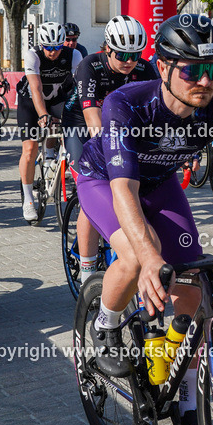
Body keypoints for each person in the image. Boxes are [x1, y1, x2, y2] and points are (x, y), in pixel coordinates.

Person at [75, 13, 213, 425]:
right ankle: (105, 323)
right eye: (192, 69)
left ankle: (187, 402)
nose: (206, 80)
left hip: (160, 184)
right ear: (163, 68)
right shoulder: (126, 103)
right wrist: (151, 256)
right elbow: (124, 189)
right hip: (106, 180)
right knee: (142, 253)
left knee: (190, 285)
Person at [63, 16, 157, 286]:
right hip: (80, 124)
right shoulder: (89, 65)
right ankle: (87, 267)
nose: (129, 61)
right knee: (93, 188)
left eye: (135, 54)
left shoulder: (144, 68)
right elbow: (92, 118)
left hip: (121, 126)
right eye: (122, 54)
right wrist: (112, 154)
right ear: (107, 49)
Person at [17, 21, 84, 223]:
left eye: (57, 47)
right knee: (29, 149)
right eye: (49, 47)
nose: (53, 52)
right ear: (41, 44)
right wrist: (42, 115)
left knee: (71, 129)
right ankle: (28, 199)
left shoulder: (74, 55)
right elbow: (36, 90)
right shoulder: (33, 55)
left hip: (57, 97)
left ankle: (51, 158)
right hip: (30, 100)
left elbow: (80, 87)